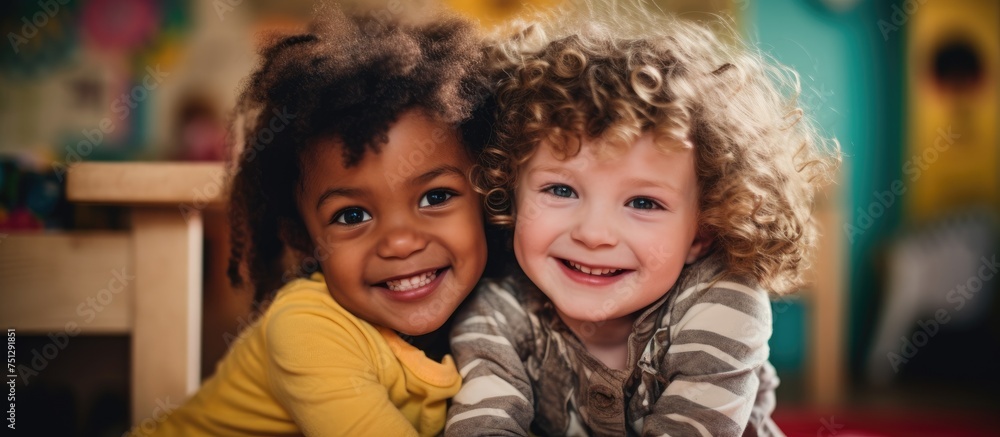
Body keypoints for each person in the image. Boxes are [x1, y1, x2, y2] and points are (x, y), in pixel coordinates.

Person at [445, 7, 839, 437]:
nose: (593, 234)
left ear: (703, 229)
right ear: (510, 193)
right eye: (561, 190)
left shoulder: (722, 302)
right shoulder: (495, 310)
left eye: (644, 203)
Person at [140, 6, 493, 437]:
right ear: (304, 239)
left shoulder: (497, 307)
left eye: (435, 197)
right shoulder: (307, 328)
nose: (400, 243)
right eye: (352, 215)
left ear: (488, 194)